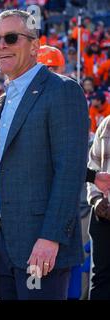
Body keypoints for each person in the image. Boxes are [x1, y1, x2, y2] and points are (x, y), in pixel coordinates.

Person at [0, 10, 89, 300]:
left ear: (34, 46)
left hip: (41, 245)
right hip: (4, 240)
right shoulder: (5, 99)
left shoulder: (62, 90)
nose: (1, 45)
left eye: (11, 38)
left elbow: (69, 169)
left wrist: (51, 237)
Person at [87, 115, 110, 300]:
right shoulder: (106, 124)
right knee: (100, 279)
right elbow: (93, 165)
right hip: (104, 215)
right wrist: (95, 200)